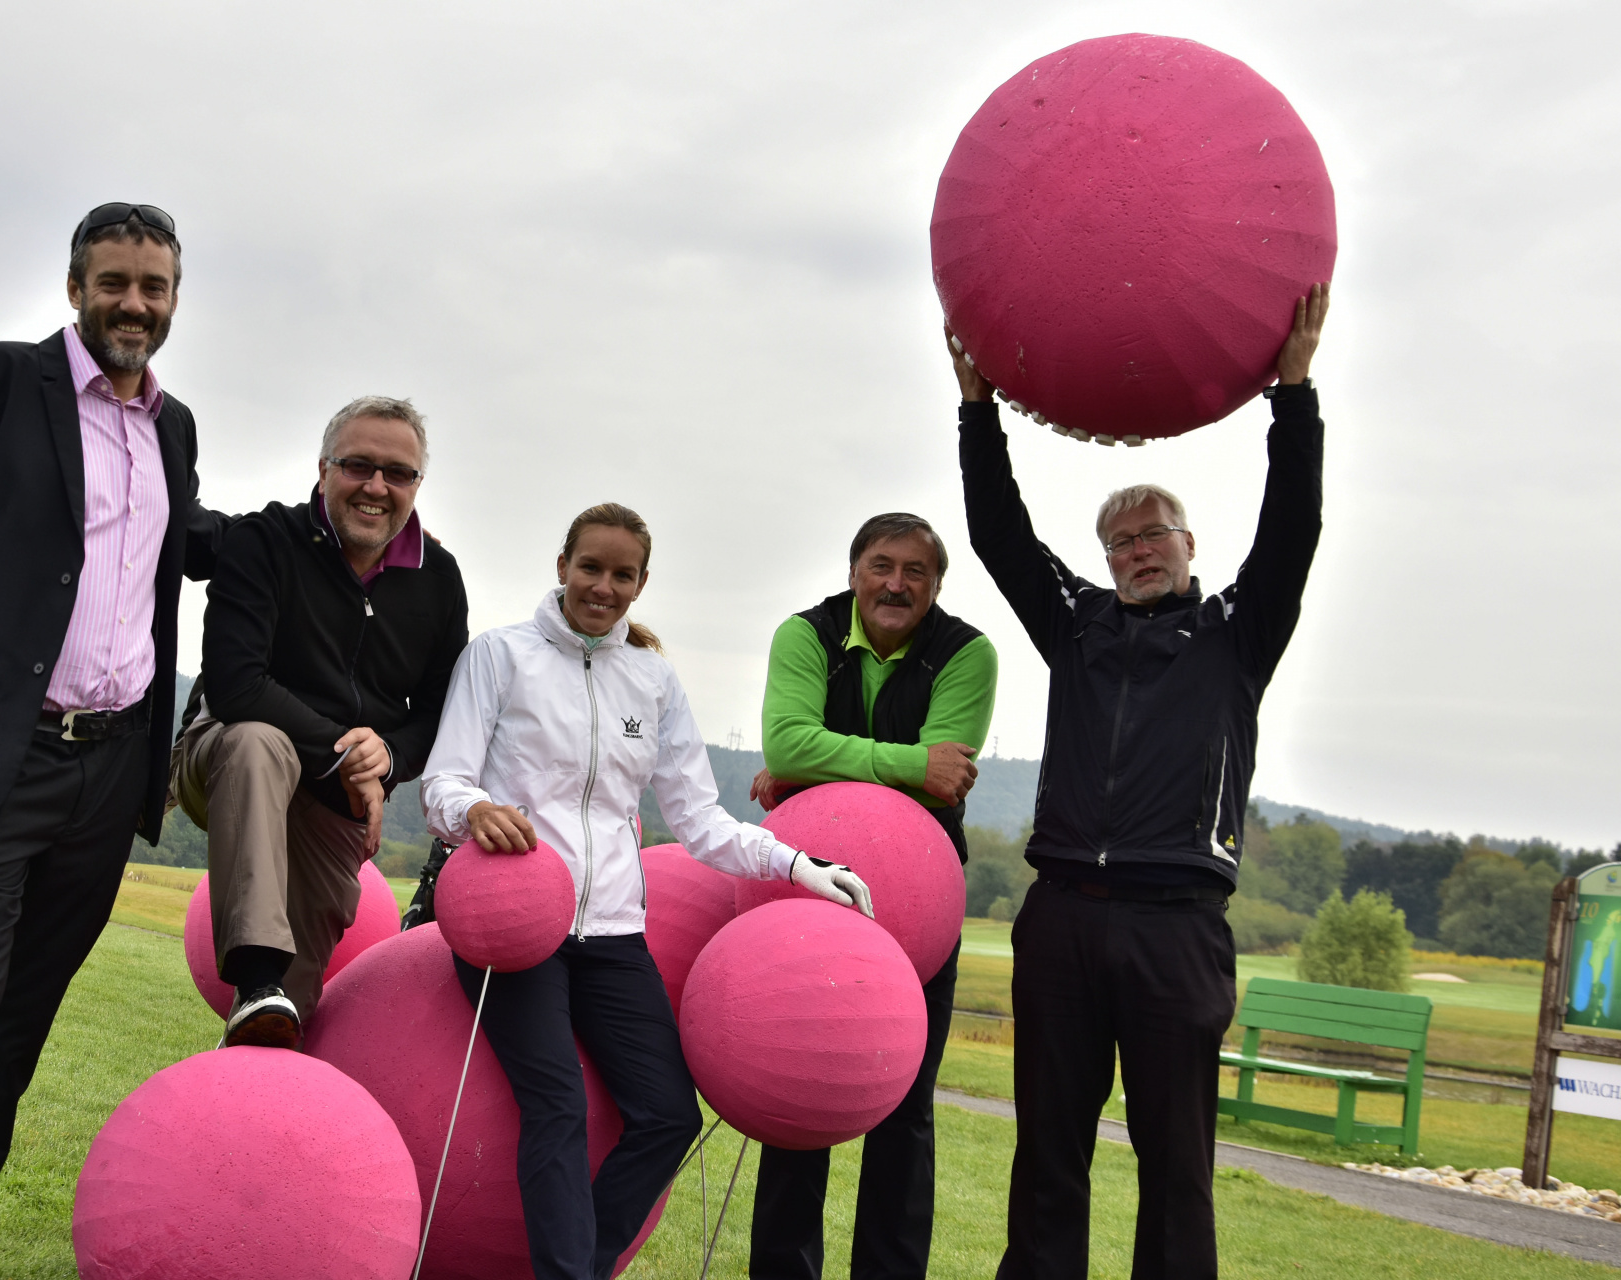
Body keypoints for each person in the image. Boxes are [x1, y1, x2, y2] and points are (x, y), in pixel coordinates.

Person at [0, 204, 230, 1280]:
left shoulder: (173, 427)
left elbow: (190, 541)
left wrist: (330, 518)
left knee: (18, 1022)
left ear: (174, 300)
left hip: (109, 775)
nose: (133, 304)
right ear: (75, 289)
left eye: (153, 287)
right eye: (114, 282)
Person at [955, 283, 1331, 1280]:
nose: (1137, 551)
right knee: (1049, 1153)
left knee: (1176, 1167)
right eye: (1120, 541)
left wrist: (1293, 395)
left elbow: (1293, 527)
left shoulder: (1238, 633)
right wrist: (977, 412)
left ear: (1189, 543)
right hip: (1062, 919)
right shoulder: (1075, 626)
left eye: (1154, 531)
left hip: (1178, 929)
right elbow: (999, 536)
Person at [420, 503, 874, 1280]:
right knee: (557, 1104)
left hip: (612, 935)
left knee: (668, 1116)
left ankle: (582, 1266)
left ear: (641, 583)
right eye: (590, 567)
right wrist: (476, 810)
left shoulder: (653, 679)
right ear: (562, 566)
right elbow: (443, 784)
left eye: (621, 574)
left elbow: (700, 820)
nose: (603, 586)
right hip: (516, 928)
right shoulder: (500, 655)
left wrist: (801, 866)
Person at [745, 512, 999, 1280]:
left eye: (916, 571)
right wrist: (912, 763)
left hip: (920, 905)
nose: (896, 584)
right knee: (801, 1088)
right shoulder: (805, 635)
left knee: (906, 1106)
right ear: (854, 572)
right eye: (882, 566)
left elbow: (943, 782)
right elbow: (788, 745)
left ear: (936, 585)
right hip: (808, 898)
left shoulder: (969, 653)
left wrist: (813, 767)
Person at [171, 395, 469, 1045]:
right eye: (358, 465)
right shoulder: (263, 541)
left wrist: (388, 757)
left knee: (283, 1019)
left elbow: (442, 713)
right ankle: (255, 971)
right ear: (323, 468)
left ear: (417, 484)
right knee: (258, 743)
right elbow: (237, 685)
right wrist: (349, 754)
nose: (377, 486)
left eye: (398, 473)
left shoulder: (440, 578)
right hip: (226, 754)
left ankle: (254, 1040)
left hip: (337, 800)